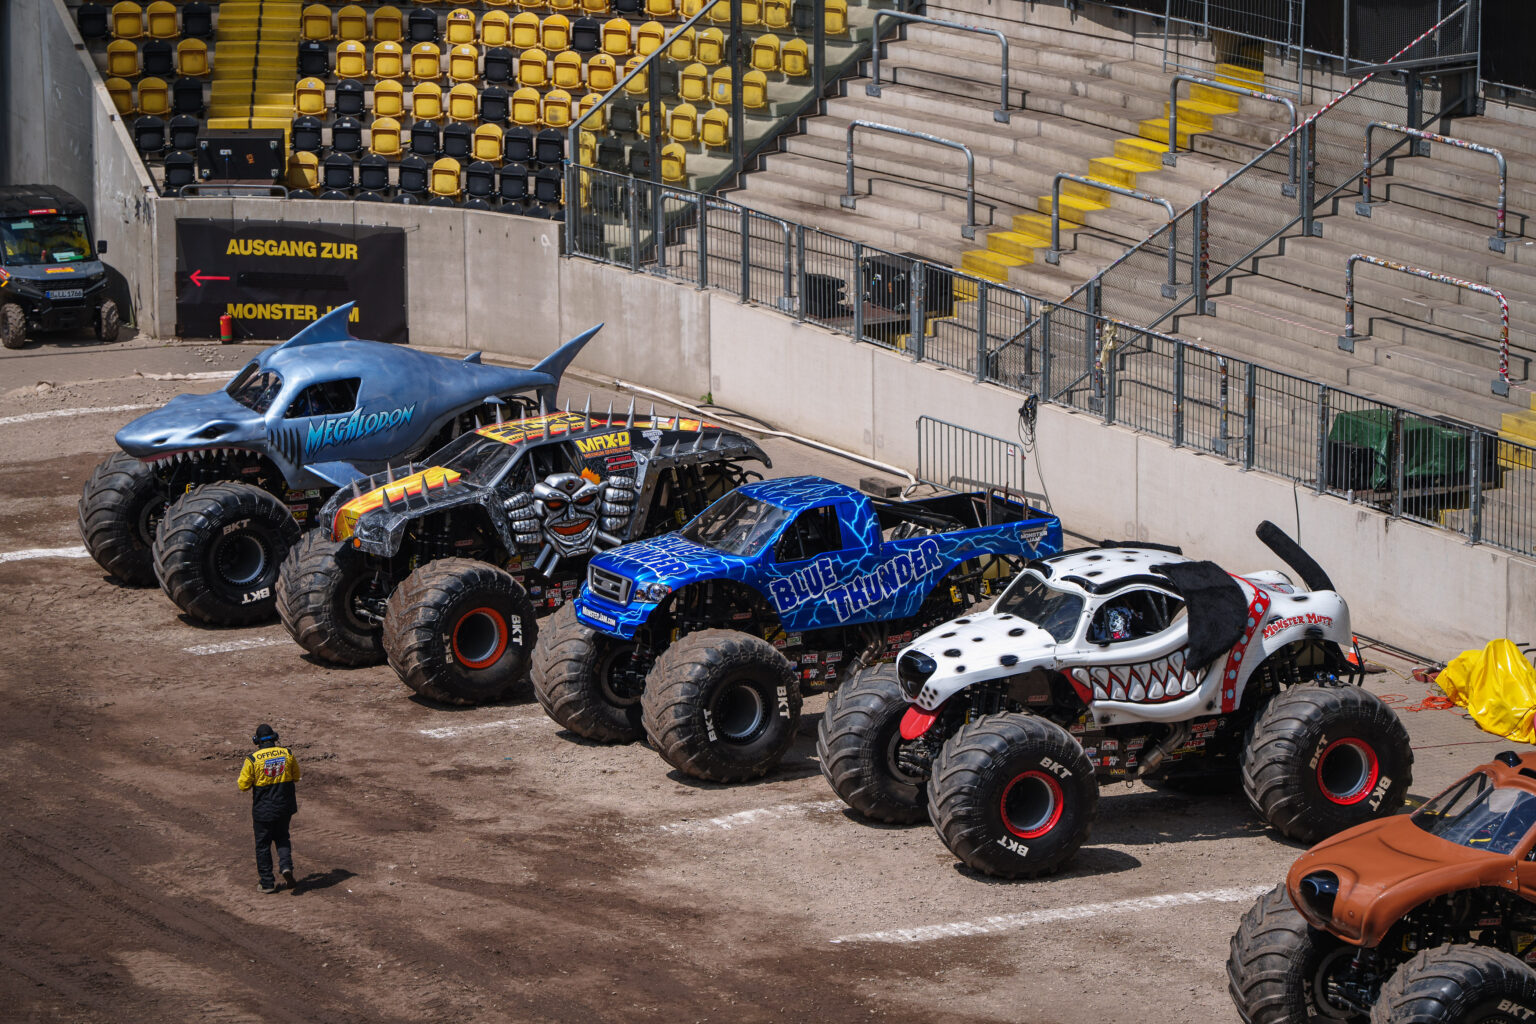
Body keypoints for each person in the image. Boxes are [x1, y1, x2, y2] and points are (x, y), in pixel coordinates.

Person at [237, 723, 302, 894]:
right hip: (284, 807)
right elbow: (296, 776)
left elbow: (243, 786)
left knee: (263, 845)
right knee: (282, 837)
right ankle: (286, 866)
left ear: (257, 741)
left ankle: (267, 883)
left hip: (263, 810)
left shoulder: (252, 759)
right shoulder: (287, 753)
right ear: (274, 738)